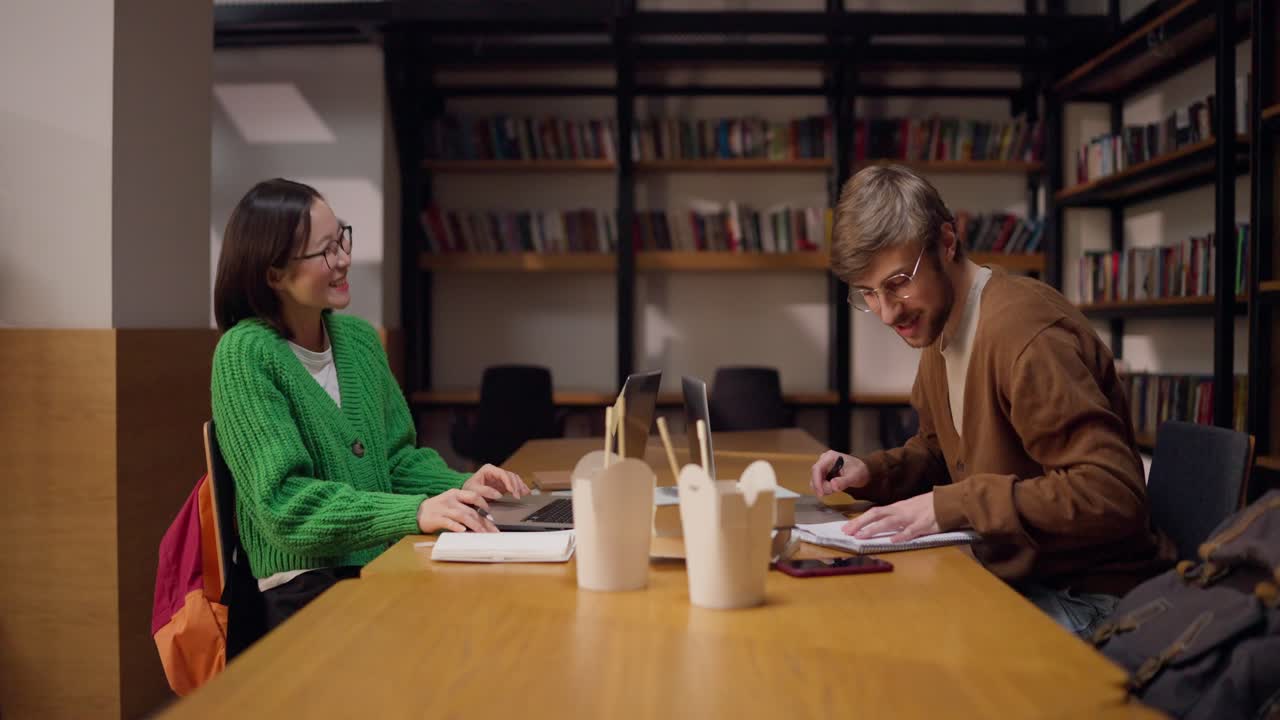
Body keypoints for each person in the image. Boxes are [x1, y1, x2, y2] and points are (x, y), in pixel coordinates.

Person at [809, 165, 1174, 637]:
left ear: (946, 241)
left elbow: (1113, 494)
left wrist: (957, 504)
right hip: (1020, 575)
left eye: (898, 281)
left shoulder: (1021, 333)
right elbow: (945, 453)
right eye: (868, 294)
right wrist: (873, 472)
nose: (887, 312)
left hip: (1090, 595)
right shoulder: (941, 325)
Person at [211, 178, 531, 627]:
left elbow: (394, 461)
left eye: (341, 237)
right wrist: (414, 512)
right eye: (325, 251)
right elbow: (284, 505)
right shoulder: (245, 355)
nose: (343, 259)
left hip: (377, 562)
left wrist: (461, 486)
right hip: (303, 588)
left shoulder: (358, 340)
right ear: (274, 274)